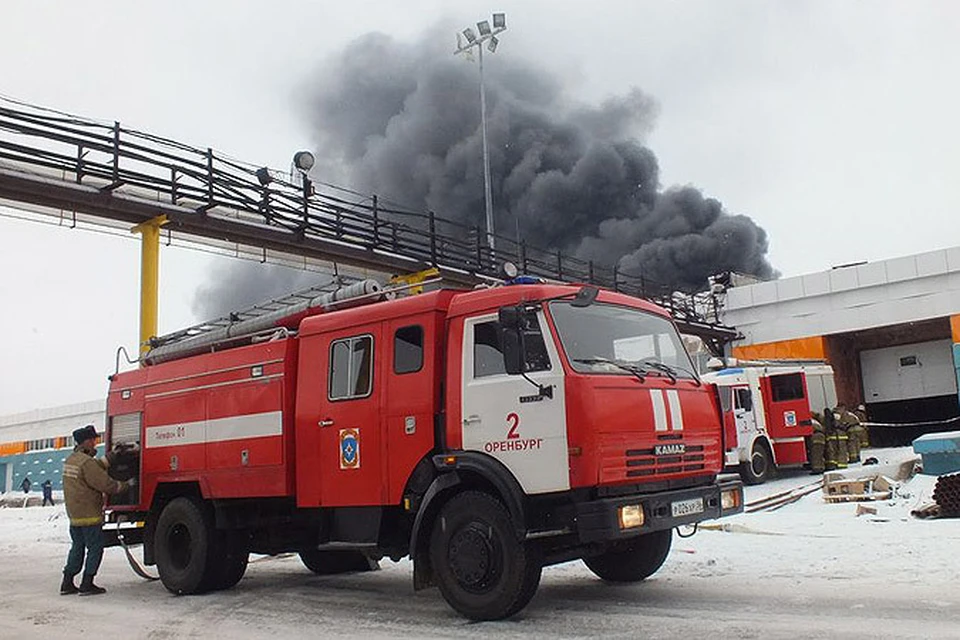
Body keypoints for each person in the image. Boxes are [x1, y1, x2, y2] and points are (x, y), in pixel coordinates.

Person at [60, 424, 130, 596]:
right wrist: (127, 485)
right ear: (86, 442)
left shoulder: (72, 460)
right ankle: (87, 583)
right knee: (95, 547)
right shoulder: (86, 463)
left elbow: (95, 467)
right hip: (89, 515)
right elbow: (105, 483)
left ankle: (67, 582)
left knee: (77, 546)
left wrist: (112, 456)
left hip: (75, 515)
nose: (95, 443)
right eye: (93, 440)